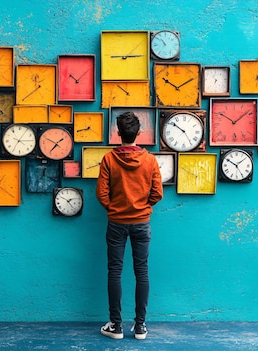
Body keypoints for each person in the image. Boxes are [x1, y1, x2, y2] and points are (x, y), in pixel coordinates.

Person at [96, 111, 163, 340]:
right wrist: (143, 206)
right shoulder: (150, 160)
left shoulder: (108, 159)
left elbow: (101, 194)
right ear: (139, 133)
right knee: (141, 271)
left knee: (114, 271)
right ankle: (140, 326)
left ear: (118, 133)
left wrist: (114, 208)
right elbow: (157, 194)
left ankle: (116, 326)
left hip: (116, 222)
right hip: (141, 222)